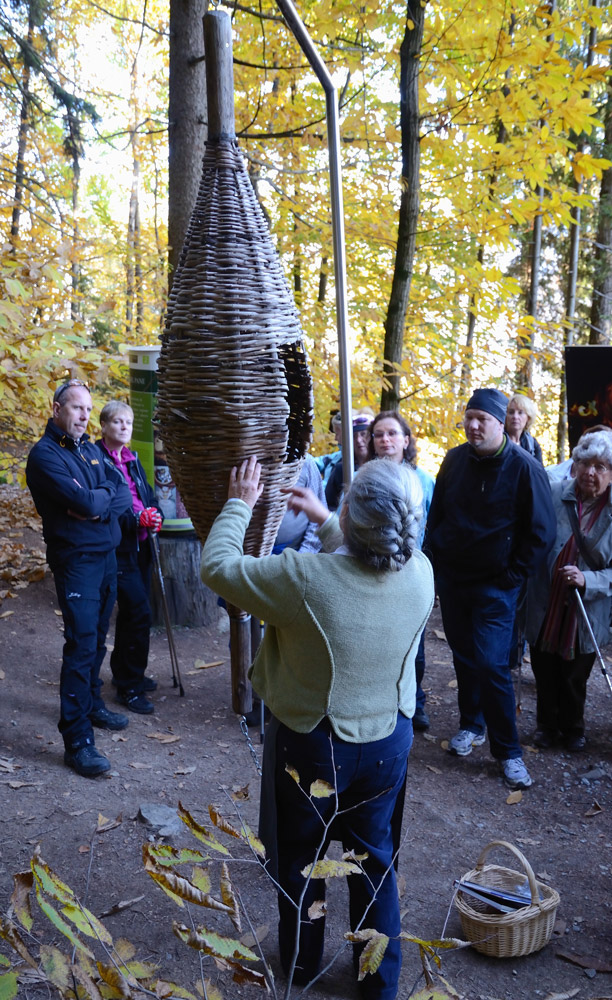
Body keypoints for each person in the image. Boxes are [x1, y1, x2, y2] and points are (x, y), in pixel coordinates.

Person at [201, 456, 434, 999]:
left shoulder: (303, 578)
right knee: (374, 863)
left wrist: (239, 502)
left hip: (313, 744)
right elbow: (365, 560)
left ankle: (303, 968)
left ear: (351, 511)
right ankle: (378, 983)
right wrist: (331, 520)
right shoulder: (421, 571)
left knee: (303, 860)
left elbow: (217, 568)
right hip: (387, 743)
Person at [426, 387, 555, 790]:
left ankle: (509, 751)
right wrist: (436, 560)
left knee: (491, 664)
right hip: (454, 579)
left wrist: (512, 576)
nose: (474, 425)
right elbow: (439, 514)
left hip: (496, 586)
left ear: (501, 423)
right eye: (470, 417)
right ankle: (471, 725)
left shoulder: (523, 467)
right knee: (464, 657)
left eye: (483, 419)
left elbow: (541, 532)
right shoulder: (454, 460)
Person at [26, 380, 133, 777]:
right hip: (76, 562)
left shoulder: (89, 448)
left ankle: (91, 703)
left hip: (105, 556)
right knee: (82, 643)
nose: (85, 416)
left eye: (89, 409)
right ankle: (77, 740)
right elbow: (88, 500)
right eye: (76, 409)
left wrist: (94, 505)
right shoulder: (44, 456)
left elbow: (118, 492)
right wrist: (95, 501)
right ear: (56, 410)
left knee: (99, 636)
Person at [526, 429, 612, 751]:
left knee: (575, 674)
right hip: (545, 599)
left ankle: (573, 727)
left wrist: (589, 580)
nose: (591, 472)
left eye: (601, 466)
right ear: (574, 465)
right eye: (585, 463)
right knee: (544, 665)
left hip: (587, 608)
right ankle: (546, 725)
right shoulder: (552, 493)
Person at [369, 410, 434, 730]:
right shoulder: (362, 477)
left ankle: (414, 703)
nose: (385, 440)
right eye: (379, 434)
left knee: (414, 645)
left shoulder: (424, 482)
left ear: (406, 440)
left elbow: (434, 527)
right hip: (368, 570)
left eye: (392, 433)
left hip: (410, 572)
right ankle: (378, 701)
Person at [97, 400, 163, 715]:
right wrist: (136, 521)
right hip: (118, 548)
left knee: (130, 615)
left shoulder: (131, 459)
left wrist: (155, 514)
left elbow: (146, 495)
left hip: (141, 546)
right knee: (138, 613)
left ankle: (125, 670)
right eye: (117, 422)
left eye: (128, 423)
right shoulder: (98, 460)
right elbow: (107, 508)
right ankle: (129, 687)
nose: (124, 427)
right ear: (104, 426)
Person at [324, 408, 374, 510]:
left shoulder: (384, 467)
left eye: (363, 434)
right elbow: (328, 505)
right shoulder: (340, 469)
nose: (359, 440)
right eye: (354, 436)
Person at [505, 394, 543, 463]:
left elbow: (539, 472)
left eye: (520, 413)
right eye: (511, 412)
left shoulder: (532, 445)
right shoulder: (497, 441)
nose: (515, 417)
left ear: (528, 418)